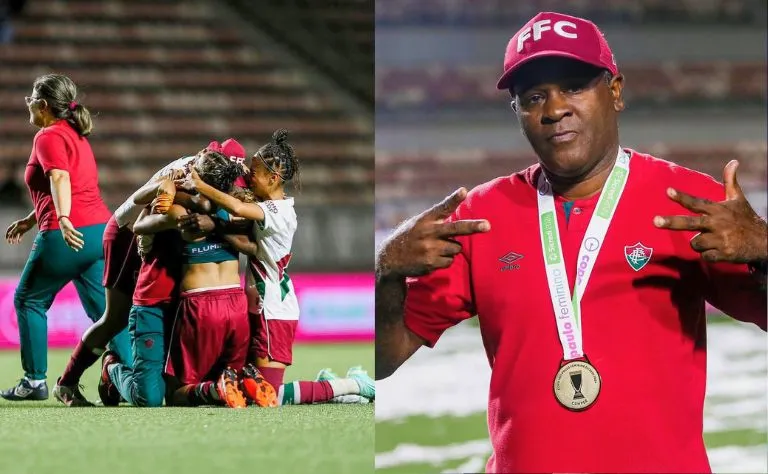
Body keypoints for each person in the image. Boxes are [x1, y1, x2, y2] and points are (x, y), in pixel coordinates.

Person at [374, 12, 767, 473]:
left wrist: (764, 247)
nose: (554, 109)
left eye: (574, 87)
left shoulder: (686, 200)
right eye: (533, 97)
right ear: (517, 113)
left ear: (615, 92)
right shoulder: (481, 215)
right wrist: (387, 270)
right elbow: (384, 357)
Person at [177, 129, 376, 405]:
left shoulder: (278, 212)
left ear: (273, 178)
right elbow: (250, 244)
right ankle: (331, 385)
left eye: (254, 172)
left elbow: (236, 208)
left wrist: (199, 184)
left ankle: (352, 384)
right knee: (250, 387)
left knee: (271, 395)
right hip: (258, 305)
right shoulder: (266, 204)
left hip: (274, 309)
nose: (248, 176)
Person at [53, 139, 248, 406]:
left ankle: (155, 381)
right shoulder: (186, 172)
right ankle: (69, 382)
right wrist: (197, 206)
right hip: (126, 234)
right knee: (115, 318)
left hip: (166, 240)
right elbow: (145, 206)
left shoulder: (219, 174)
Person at [1, 74, 130, 401]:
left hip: (67, 233)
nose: (28, 104)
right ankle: (135, 376)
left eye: (31, 99)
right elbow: (70, 185)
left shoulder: (47, 136)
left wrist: (62, 218)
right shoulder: (76, 135)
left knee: (28, 300)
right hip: (100, 233)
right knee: (107, 315)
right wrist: (31, 219)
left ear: (43, 105)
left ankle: (34, 381)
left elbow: (59, 178)